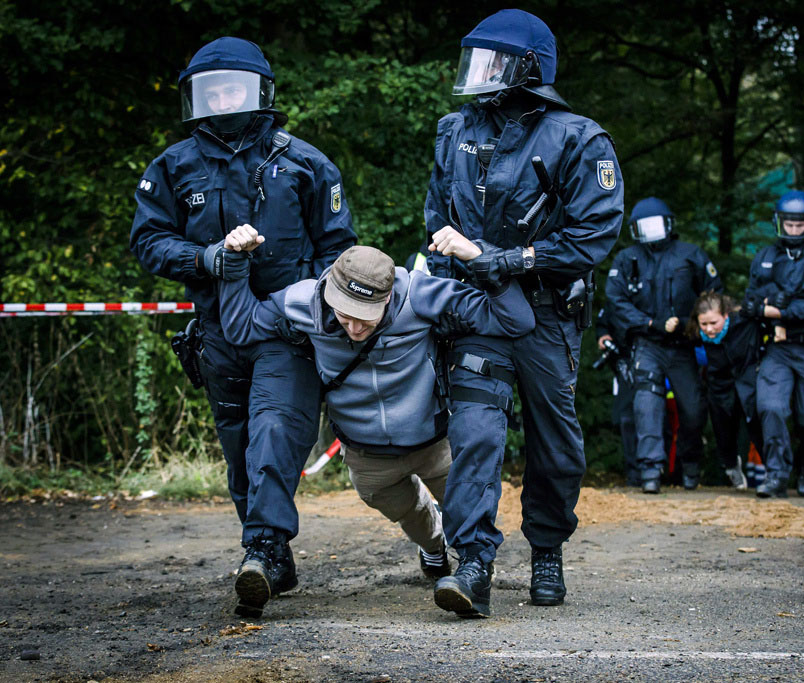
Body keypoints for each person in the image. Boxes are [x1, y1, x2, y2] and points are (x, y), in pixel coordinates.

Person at [129, 37, 357, 617]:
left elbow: (338, 248)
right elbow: (149, 241)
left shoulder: (305, 162)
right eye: (212, 90)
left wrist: (318, 309)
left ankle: (258, 550)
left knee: (275, 435)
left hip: (289, 333)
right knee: (239, 456)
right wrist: (207, 258)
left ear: (260, 92)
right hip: (216, 334)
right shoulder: (173, 166)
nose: (224, 99)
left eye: (234, 87)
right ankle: (274, 557)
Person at [424, 9, 624, 617]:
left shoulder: (578, 137)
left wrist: (502, 259)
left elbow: (593, 236)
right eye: (475, 60)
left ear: (530, 69)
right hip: (480, 312)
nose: (479, 74)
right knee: (476, 433)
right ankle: (475, 562)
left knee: (555, 443)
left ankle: (547, 549)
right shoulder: (454, 130)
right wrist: (458, 271)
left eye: (494, 63)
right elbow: (437, 216)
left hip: (548, 313)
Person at [214, 225, 535, 603]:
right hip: (368, 459)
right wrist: (234, 263)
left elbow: (516, 320)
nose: (353, 327)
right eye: (345, 314)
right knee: (412, 516)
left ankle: (471, 569)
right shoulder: (303, 302)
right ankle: (433, 548)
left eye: (365, 317)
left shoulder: (419, 294)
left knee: (466, 505)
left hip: (434, 443)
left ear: (388, 297)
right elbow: (239, 327)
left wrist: (481, 259)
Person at [606, 197, 722, 494]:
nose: (651, 232)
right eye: (644, 227)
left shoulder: (691, 255)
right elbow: (615, 301)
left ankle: (691, 466)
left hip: (683, 345)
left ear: (669, 225)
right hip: (647, 343)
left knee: (693, 408)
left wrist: (689, 323)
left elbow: (713, 297)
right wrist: (648, 323)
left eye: (656, 225)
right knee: (646, 404)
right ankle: (650, 470)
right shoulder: (627, 259)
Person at [742, 191, 804, 498]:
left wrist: (772, 307)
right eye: (789, 225)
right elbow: (749, 301)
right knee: (769, 406)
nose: (794, 230)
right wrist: (775, 305)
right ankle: (776, 474)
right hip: (778, 347)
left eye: (800, 225)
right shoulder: (766, 256)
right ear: (780, 223)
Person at [690, 291, 764, 489]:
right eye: (704, 324)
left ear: (726, 315)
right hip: (719, 385)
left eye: (714, 323)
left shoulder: (745, 321)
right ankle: (732, 467)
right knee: (723, 431)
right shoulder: (695, 331)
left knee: (758, 426)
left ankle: (774, 471)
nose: (709, 329)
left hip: (748, 380)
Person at [594, 305, 639, 486]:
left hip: (654, 355)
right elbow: (602, 325)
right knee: (626, 419)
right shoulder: (617, 293)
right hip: (622, 362)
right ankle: (634, 474)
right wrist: (603, 337)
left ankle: (661, 472)